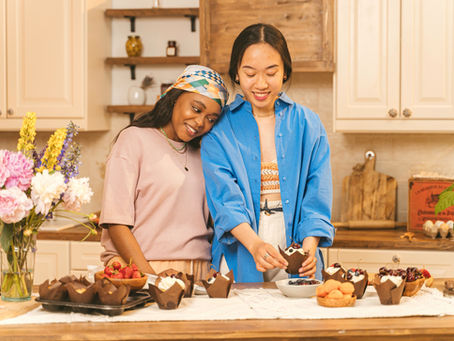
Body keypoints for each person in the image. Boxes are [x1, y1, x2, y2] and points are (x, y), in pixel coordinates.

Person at [201, 24, 335, 283]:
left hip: (297, 249)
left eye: (271, 72)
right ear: (237, 74)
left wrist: (308, 249)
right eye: (250, 73)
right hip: (241, 249)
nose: (260, 84)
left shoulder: (308, 124)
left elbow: (317, 196)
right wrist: (255, 245)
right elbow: (224, 201)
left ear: (284, 72)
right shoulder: (219, 129)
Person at [99, 65, 228, 281]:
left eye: (211, 119)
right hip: (146, 267)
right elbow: (116, 222)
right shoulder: (134, 139)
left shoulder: (204, 153)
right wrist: (151, 278)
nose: (200, 123)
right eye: (196, 109)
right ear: (175, 98)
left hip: (199, 273)